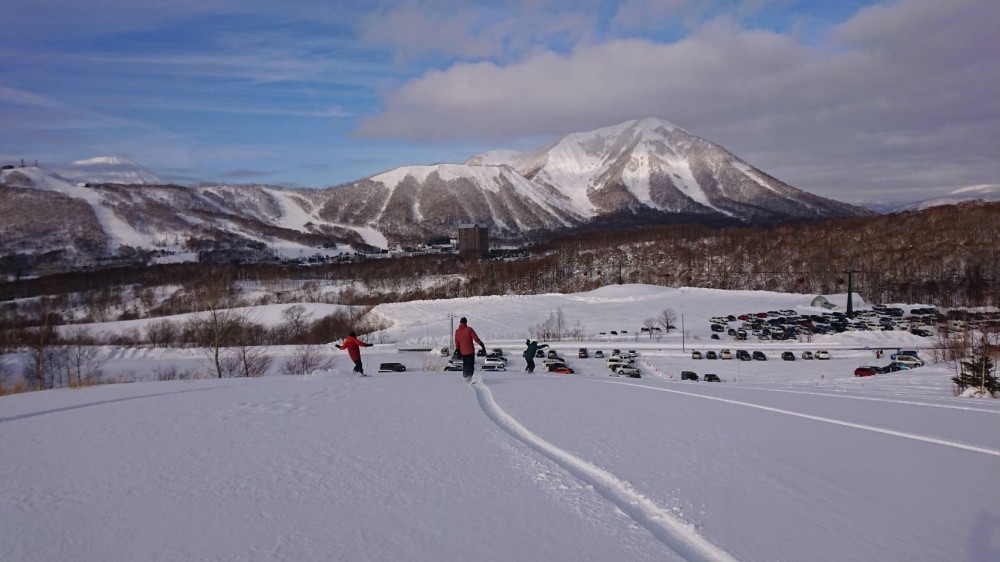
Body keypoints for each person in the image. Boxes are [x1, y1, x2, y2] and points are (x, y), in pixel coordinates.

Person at [454, 317, 486, 381]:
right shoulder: (469, 329)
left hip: (463, 352)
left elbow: (456, 341)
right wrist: (481, 344)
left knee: (465, 364)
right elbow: (475, 338)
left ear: (460, 322)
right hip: (470, 351)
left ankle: (465, 376)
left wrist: (457, 349)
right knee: (470, 365)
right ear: (466, 322)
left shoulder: (457, 331)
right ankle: (469, 377)